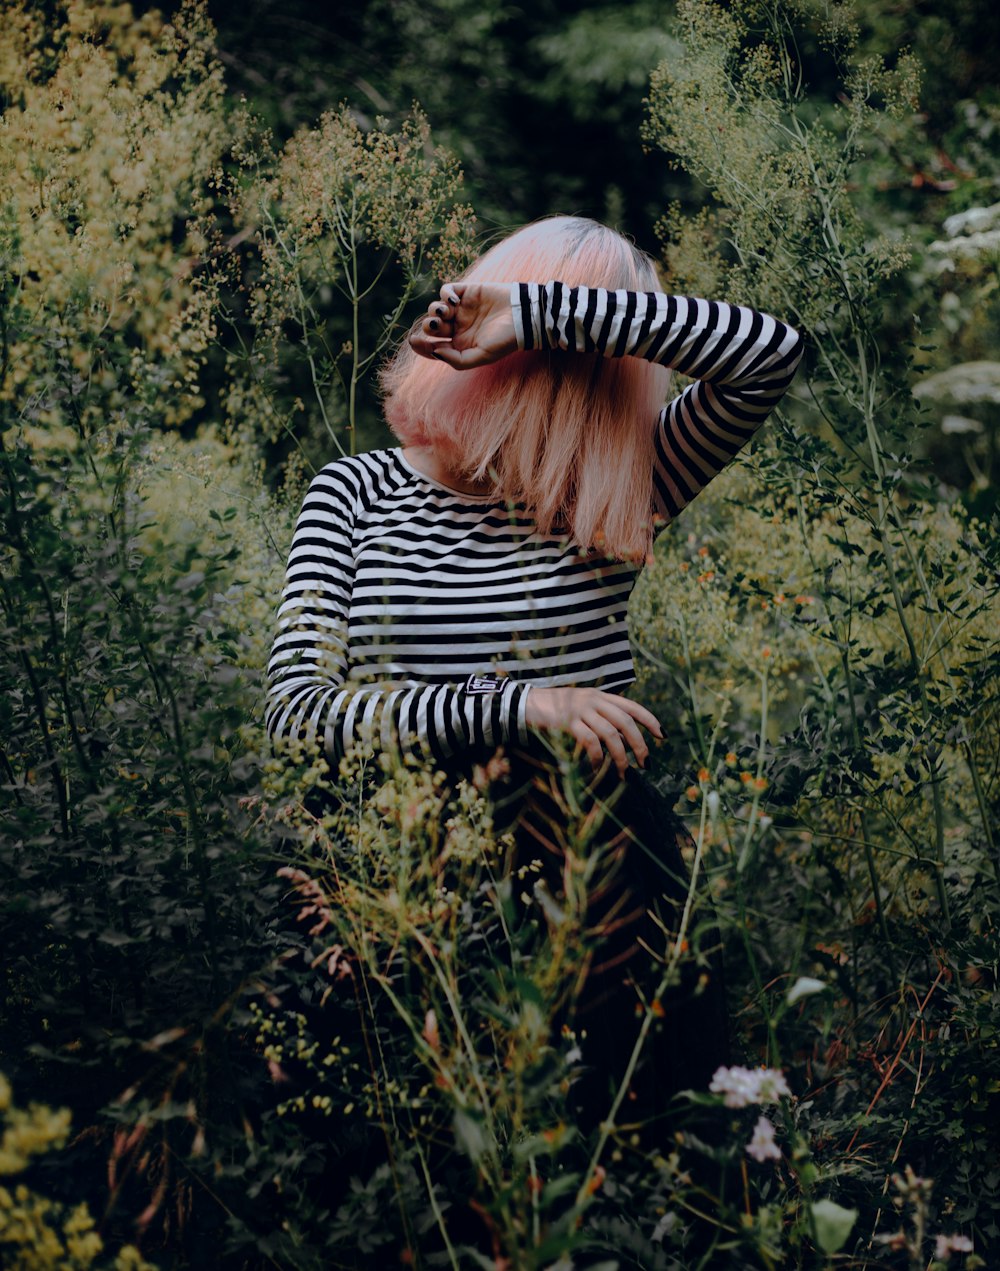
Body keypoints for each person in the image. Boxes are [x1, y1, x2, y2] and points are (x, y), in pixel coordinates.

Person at [265, 214, 803, 1133]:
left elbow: (772, 352)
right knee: (408, 1170)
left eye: (592, 351)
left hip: (593, 870)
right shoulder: (353, 491)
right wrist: (517, 703)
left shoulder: (614, 489)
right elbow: (297, 713)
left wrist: (542, 310)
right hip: (397, 873)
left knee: (628, 1151)